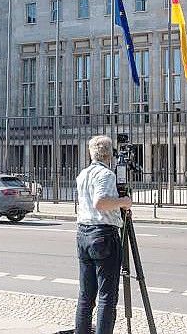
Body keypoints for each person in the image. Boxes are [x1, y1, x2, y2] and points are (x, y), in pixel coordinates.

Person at [73, 135, 132, 334]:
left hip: (83, 233)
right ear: (109, 154)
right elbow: (101, 202)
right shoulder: (106, 175)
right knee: (107, 296)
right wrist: (124, 202)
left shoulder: (83, 174)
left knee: (86, 295)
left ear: (91, 153)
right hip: (103, 234)